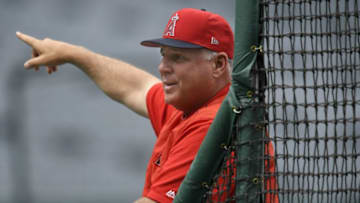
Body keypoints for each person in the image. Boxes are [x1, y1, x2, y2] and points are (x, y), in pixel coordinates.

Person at [16, 8, 276, 203]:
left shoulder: (212, 122)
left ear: (218, 64)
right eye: (163, 56)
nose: (163, 67)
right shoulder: (190, 105)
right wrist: (73, 53)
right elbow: (134, 86)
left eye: (178, 58)